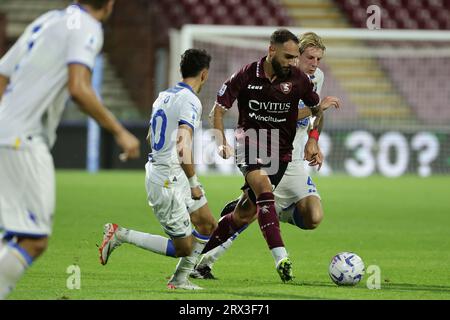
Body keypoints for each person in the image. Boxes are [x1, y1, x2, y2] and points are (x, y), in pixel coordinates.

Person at [0, 0, 140, 299]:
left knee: (12, 233)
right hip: (23, 139)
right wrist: (119, 131)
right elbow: (79, 87)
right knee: (33, 240)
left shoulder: (48, 20)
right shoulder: (88, 27)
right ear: (110, 4)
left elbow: (3, 73)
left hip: (7, 133)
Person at [193, 32, 339, 281]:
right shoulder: (259, 75)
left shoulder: (313, 78)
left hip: (291, 159)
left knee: (312, 216)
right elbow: (289, 111)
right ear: (293, 55)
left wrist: (313, 139)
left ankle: (267, 208)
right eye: (309, 58)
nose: (314, 64)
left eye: (319, 59)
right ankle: (205, 262)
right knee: (250, 209)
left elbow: (316, 114)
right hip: (262, 149)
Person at [98, 48, 217, 290]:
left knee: (206, 223)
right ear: (204, 74)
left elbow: (151, 136)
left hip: (172, 172)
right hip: (167, 179)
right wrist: (193, 184)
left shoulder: (163, 96)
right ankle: (120, 234)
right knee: (182, 247)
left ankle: (179, 280)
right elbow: (183, 145)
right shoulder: (190, 101)